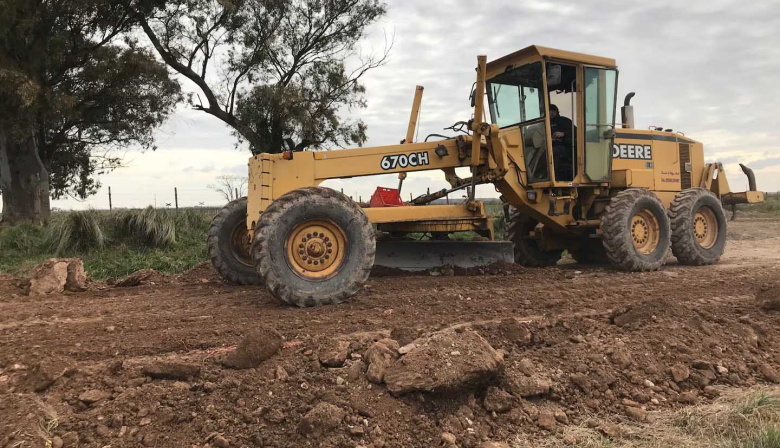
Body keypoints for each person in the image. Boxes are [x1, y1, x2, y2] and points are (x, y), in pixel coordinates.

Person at [550, 104, 576, 181]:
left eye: (552, 111)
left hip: (566, 147)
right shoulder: (546, 123)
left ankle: (554, 177)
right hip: (550, 146)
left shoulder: (564, 121)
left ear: (556, 112)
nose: (550, 113)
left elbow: (576, 131)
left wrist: (563, 133)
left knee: (553, 152)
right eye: (549, 111)